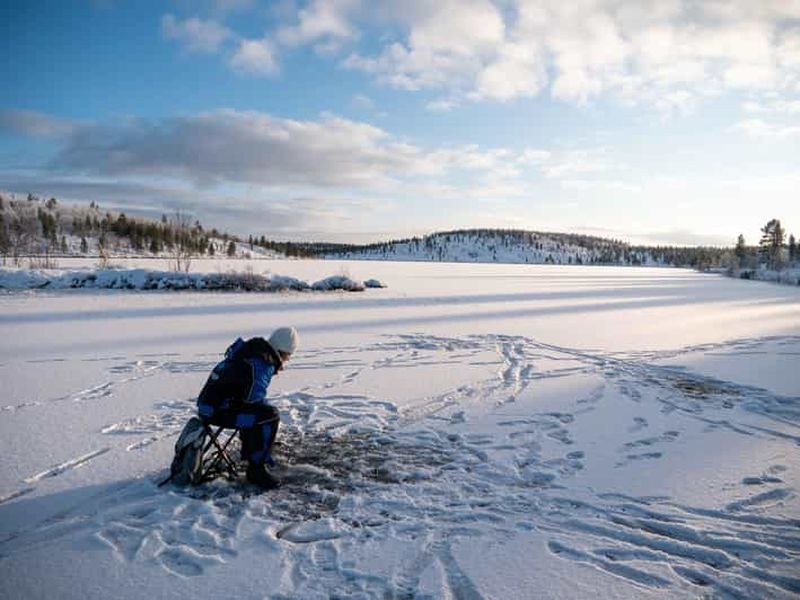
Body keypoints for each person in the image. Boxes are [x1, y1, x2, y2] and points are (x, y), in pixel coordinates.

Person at [197, 326, 299, 490]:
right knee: (269, 416)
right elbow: (252, 400)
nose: (287, 361)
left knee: (259, 413)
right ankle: (256, 469)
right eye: (289, 356)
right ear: (285, 352)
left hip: (207, 406)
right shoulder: (262, 363)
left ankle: (254, 453)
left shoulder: (250, 353)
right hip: (216, 412)